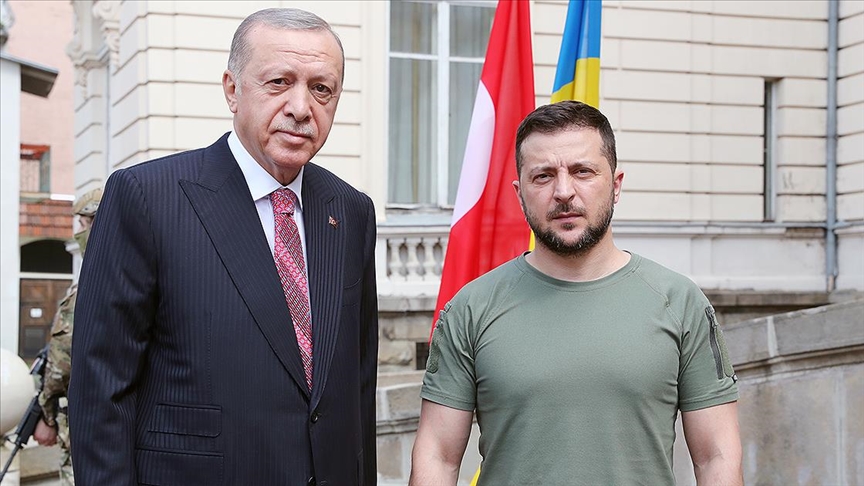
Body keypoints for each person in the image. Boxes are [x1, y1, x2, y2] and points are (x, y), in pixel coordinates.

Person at [68, 8, 378, 486]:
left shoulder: (351, 211)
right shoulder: (147, 198)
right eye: (279, 82)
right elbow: (100, 390)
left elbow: (358, 385)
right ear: (233, 90)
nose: (301, 108)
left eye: (322, 89)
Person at [409, 101, 742, 485]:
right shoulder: (470, 309)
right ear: (520, 193)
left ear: (615, 186)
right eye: (543, 176)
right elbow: (437, 456)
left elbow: (717, 457)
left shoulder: (680, 303)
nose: (564, 192)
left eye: (583, 171)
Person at [31, 188, 101, 486]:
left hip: (90, 429)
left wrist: (46, 414)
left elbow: (62, 362)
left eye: (83, 225)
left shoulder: (95, 283)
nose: (78, 235)